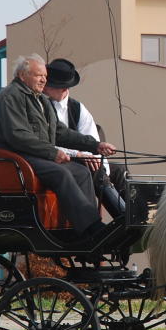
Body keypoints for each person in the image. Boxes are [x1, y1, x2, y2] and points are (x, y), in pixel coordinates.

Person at [0, 54, 118, 240]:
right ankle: (93, 227)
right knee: (61, 173)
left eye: (45, 76)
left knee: (81, 172)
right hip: (15, 157)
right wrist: (53, 152)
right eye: (39, 75)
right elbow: (18, 136)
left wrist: (96, 145)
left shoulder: (41, 99)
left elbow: (59, 133)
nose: (44, 80)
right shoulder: (10, 97)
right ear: (23, 76)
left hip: (34, 155)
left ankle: (85, 230)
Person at [42, 58, 125, 218]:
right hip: (57, 159)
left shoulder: (79, 108)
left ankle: (136, 216)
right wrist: (80, 156)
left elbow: (91, 138)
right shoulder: (42, 107)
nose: (44, 87)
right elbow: (46, 142)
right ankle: (120, 217)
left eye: (49, 84)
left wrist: (101, 166)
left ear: (63, 88)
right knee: (94, 173)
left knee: (119, 171)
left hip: (82, 160)